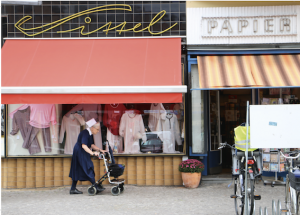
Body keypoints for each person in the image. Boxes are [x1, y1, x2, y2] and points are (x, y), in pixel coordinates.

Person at [69, 118, 108, 195]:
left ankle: (73, 189)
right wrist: (93, 153)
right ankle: (95, 186)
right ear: (92, 128)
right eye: (97, 129)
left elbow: (91, 145)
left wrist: (100, 150)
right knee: (88, 166)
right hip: (80, 151)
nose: (98, 131)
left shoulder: (90, 133)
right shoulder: (85, 133)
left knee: (78, 168)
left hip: (81, 151)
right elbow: (84, 146)